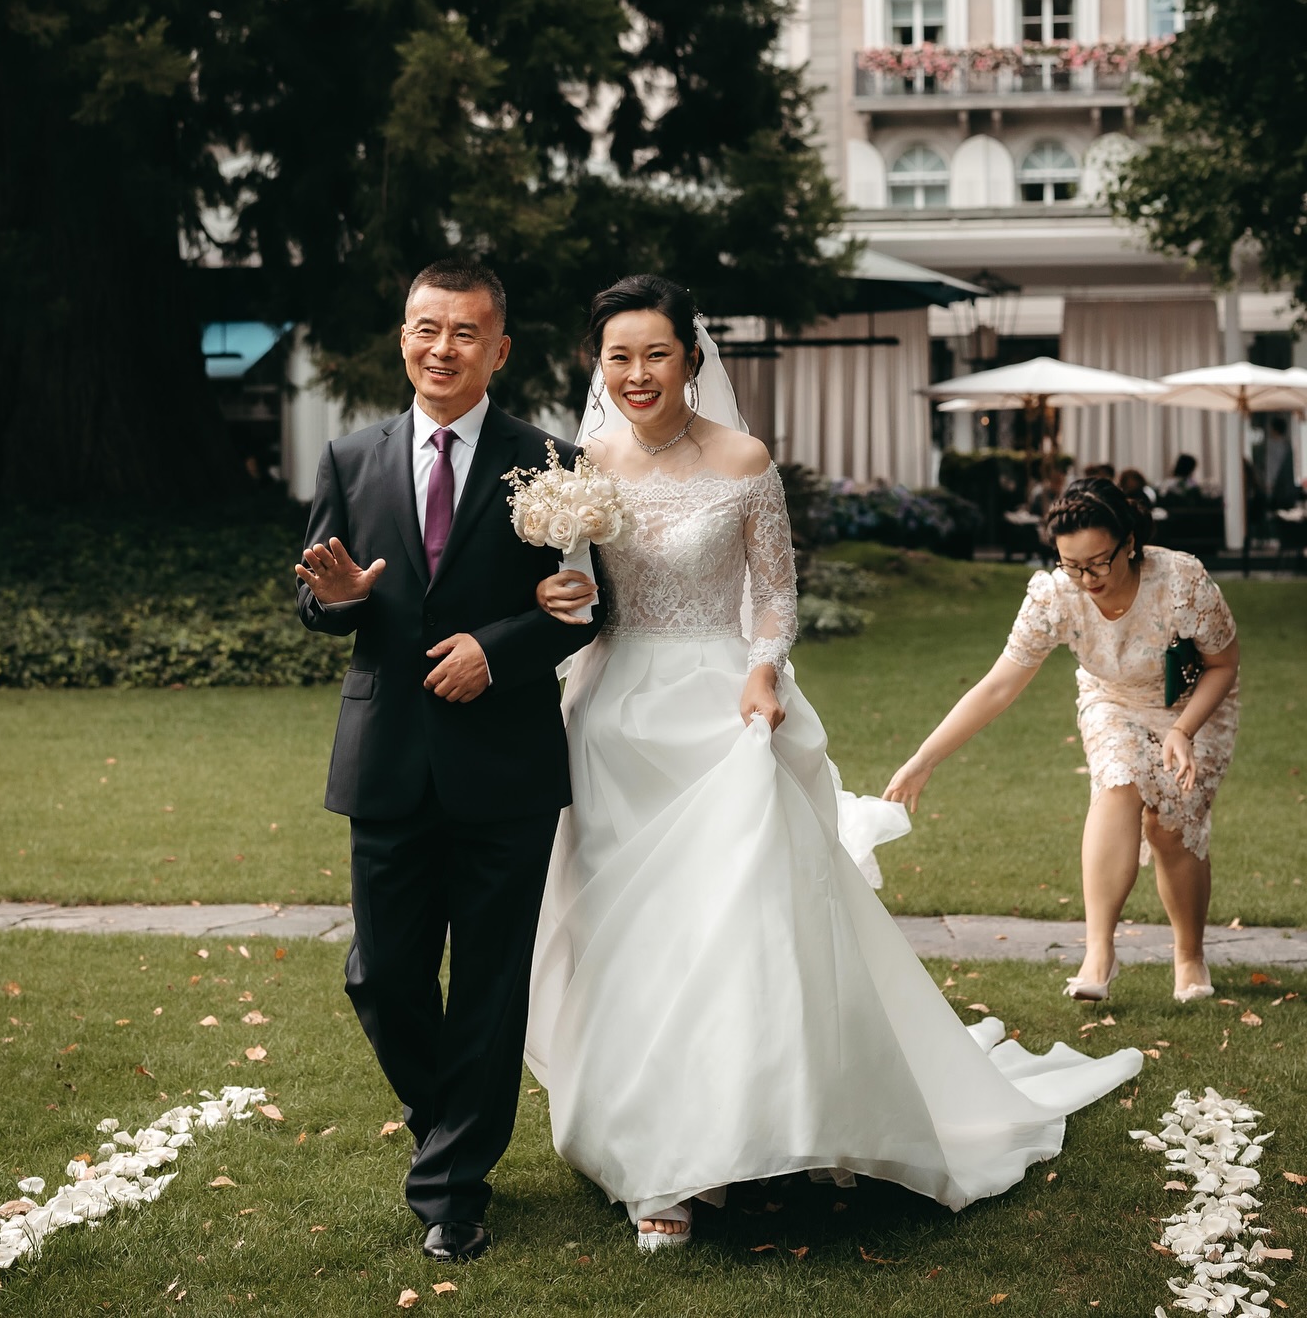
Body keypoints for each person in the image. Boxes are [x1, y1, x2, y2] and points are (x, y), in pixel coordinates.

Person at [526, 276, 1141, 1252]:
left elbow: (774, 593)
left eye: (655, 352)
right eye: (617, 356)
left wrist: (766, 670)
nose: (637, 373)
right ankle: (649, 1139)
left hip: (723, 713)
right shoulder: (579, 466)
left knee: (727, 924)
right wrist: (559, 595)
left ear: (692, 356)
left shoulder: (743, 458)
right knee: (624, 937)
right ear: (596, 367)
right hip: (610, 720)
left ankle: (718, 1141)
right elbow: (567, 597)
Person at [294, 260, 601, 1264]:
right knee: (382, 977)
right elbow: (318, 595)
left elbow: (586, 607)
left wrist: (497, 651)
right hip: (386, 758)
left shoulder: (552, 463)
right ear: (403, 336)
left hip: (504, 766)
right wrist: (335, 599)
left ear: (499, 349)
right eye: (426, 328)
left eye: (465, 332)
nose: (442, 348)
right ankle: (452, 1125)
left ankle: (454, 1191)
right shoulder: (350, 457)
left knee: (487, 984)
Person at [885, 478, 1240, 1004]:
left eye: (1098, 562)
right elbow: (999, 685)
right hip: (1111, 699)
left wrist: (1183, 731)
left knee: (1170, 828)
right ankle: (1099, 950)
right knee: (1117, 782)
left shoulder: (1181, 580)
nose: (1086, 578)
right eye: (1071, 565)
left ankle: (1189, 955)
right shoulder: (1055, 595)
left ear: (1130, 543)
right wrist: (924, 758)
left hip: (1192, 704)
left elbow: (1223, 663)